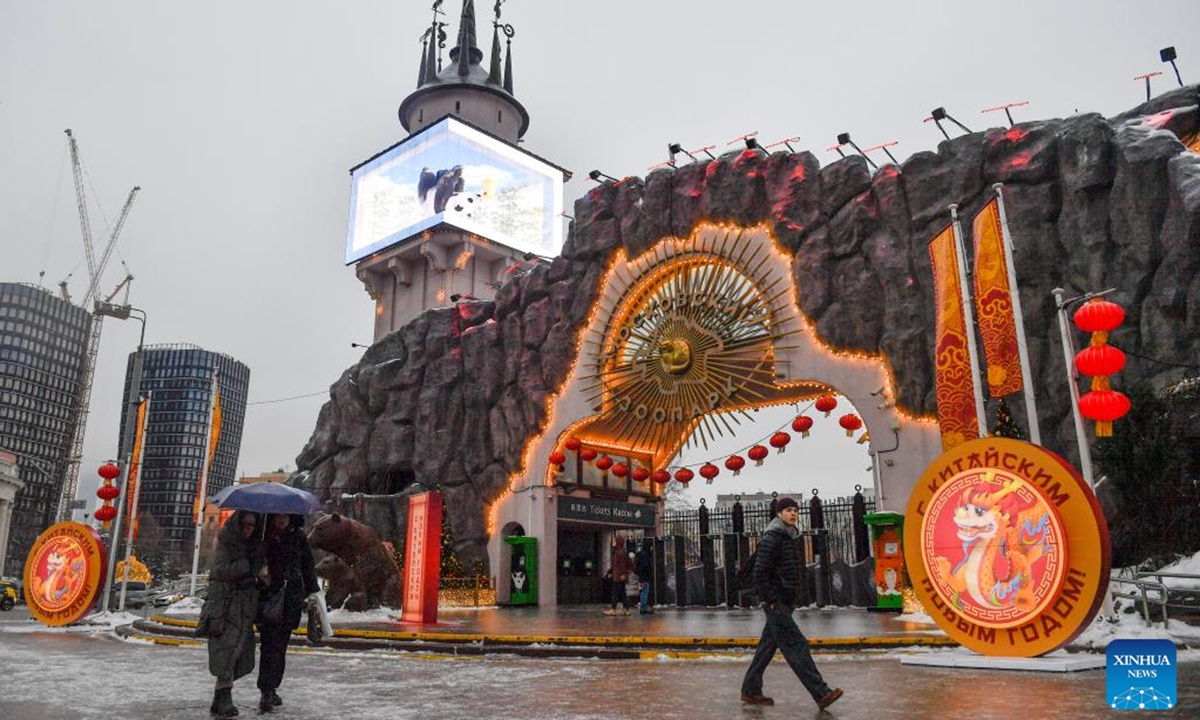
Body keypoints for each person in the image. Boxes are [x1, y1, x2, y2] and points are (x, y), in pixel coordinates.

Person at [740, 497, 843, 710]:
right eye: (788, 510)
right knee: (797, 645)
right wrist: (772, 600)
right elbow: (760, 572)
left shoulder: (789, 537)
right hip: (776, 602)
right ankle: (821, 693)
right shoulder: (773, 537)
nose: (793, 513)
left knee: (767, 647)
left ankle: (750, 690)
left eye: (796, 510)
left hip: (784, 601)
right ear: (779, 513)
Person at [199, 510, 264, 718]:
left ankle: (219, 698)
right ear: (238, 523)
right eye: (246, 524)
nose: (249, 529)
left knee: (242, 657)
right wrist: (248, 565)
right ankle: (224, 698)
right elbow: (219, 570)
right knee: (227, 653)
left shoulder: (252, 546)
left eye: (253, 525)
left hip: (244, 609)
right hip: (226, 607)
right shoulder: (227, 542)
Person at [256, 514, 319, 713]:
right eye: (278, 516)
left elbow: (308, 565)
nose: (282, 520)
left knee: (280, 648)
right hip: (269, 599)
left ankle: (271, 688)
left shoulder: (299, 536)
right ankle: (266, 690)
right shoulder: (265, 536)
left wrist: (313, 592)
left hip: (290, 601)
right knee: (269, 646)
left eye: (285, 516)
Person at [603, 537, 632, 616]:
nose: (613, 543)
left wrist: (622, 574)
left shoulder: (619, 552)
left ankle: (613, 609)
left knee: (615, 592)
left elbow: (621, 565)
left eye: (614, 541)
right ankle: (626, 609)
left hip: (618, 576)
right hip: (619, 575)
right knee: (622, 592)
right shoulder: (621, 551)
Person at [634, 544, 654, 614]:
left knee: (643, 591)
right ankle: (643, 608)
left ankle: (643, 607)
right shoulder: (645, 556)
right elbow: (646, 567)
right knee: (644, 592)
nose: (651, 549)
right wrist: (650, 574)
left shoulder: (639, 555)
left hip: (641, 577)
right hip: (645, 577)